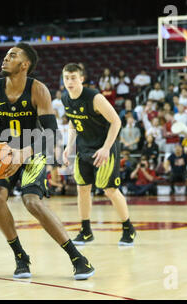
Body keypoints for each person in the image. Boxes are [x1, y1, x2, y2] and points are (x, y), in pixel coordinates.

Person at [0, 43, 94, 280]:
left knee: (31, 201)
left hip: (33, 152)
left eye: (12, 56)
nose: (5, 58)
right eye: (5, 55)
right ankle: (20, 256)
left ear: (24, 65)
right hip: (4, 153)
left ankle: (77, 257)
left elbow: (52, 134)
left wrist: (23, 153)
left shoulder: (38, 90)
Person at [61, 63, 136, 248]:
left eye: (73, 77)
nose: (69, 81)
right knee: (82, 188)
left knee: (109, 189)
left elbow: (116, 122)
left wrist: (106, 148)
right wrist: (69, 146)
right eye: (66, 78)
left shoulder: (94, 98)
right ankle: (85, 231)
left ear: (81, 79)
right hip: (84, 148)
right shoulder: (65, 98)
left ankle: (128, 228)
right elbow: (73, 123)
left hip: (105, 146)